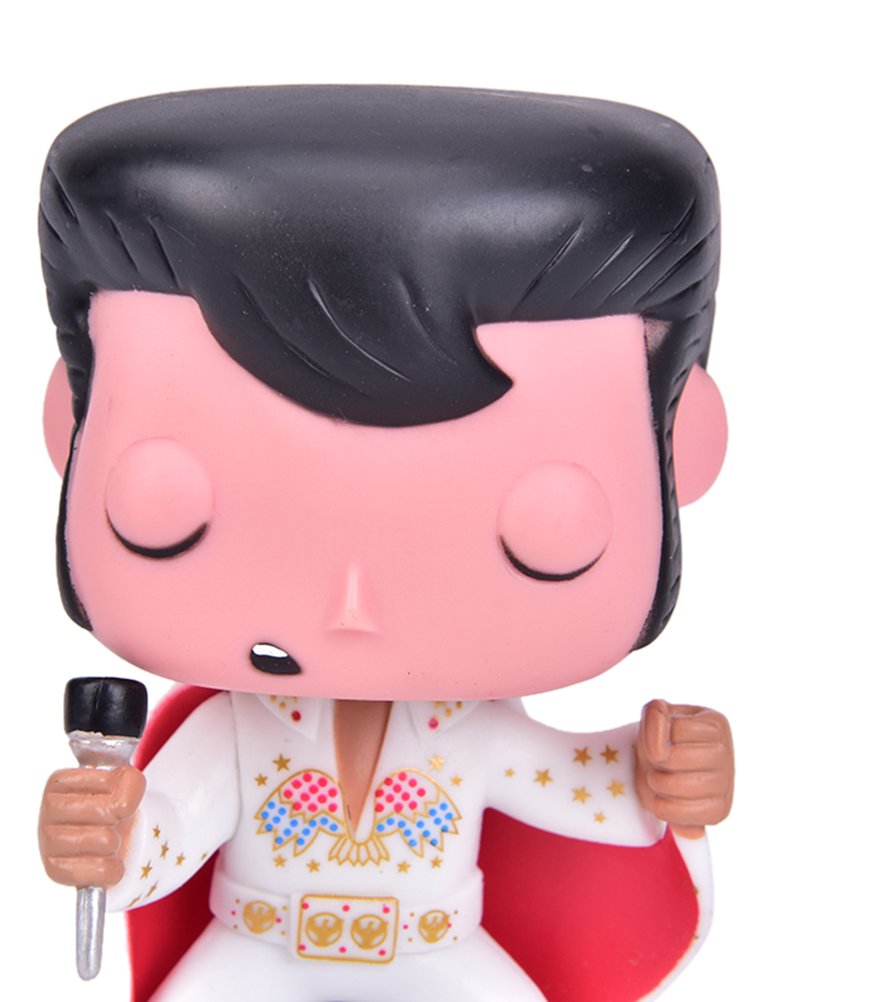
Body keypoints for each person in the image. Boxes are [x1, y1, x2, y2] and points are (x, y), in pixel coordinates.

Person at [37, 87, 734, 1002]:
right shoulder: (243, 730)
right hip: (256, 948)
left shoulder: (471, 733)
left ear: (679, 451)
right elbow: (169, 835)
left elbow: (575, 789)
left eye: (543, 538)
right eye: (171, 513)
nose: (352, 605)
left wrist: (662, 773)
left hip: (440, 950)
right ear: (72, 430)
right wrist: (107, 836)